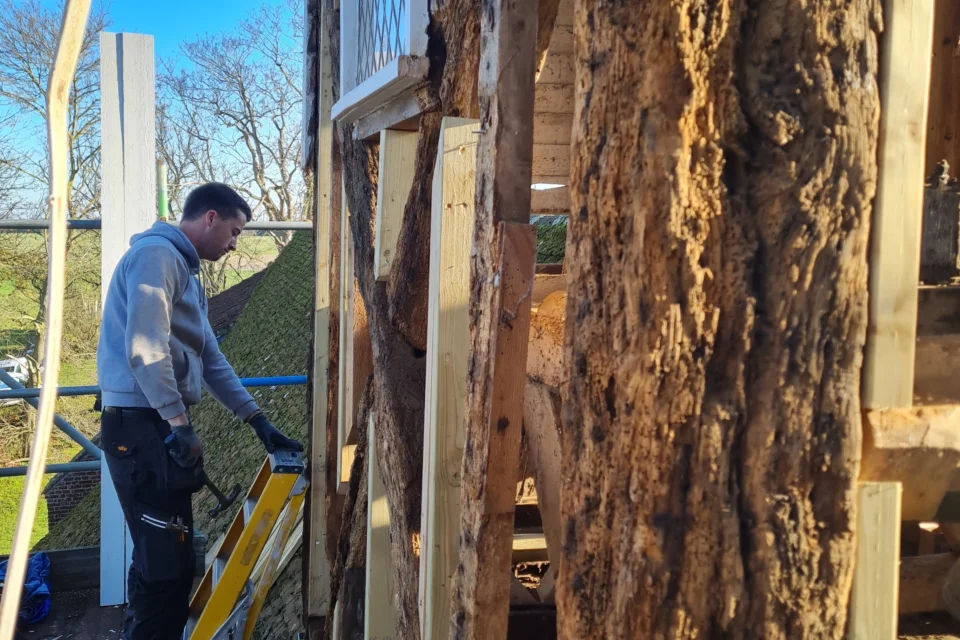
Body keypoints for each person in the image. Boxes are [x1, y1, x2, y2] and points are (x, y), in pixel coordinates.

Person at [95, 182, 303, 639]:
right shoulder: (157, 257)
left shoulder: (184, 271)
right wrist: (179, 424)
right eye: (234, 231)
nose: (234, 244)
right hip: (142, 426)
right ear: (210, 217)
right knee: (166, 560)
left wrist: (259, 422)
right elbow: (145, 348)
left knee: (163, 553)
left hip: (152, 425)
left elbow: (210, 356)